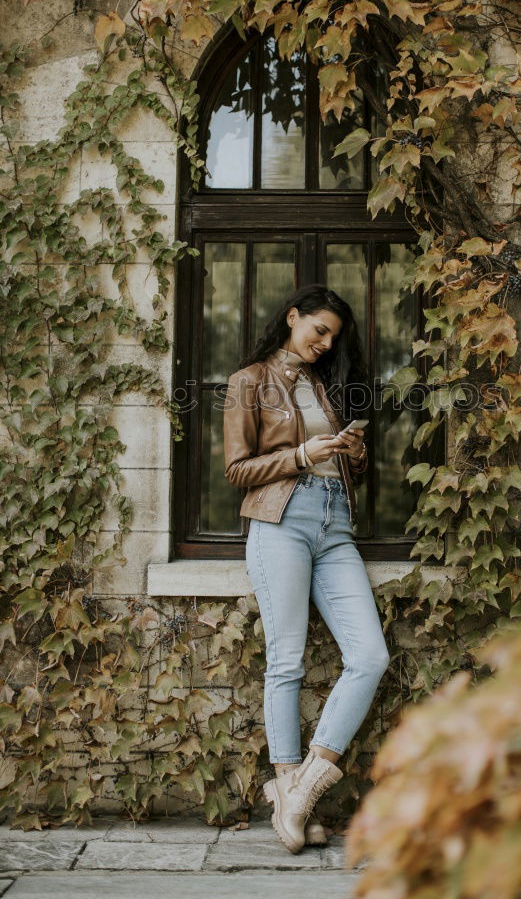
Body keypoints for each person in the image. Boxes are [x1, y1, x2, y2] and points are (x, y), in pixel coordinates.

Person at [223, 284, 390, 854]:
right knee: (286, 661)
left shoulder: (325, 384)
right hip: (281, 524)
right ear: (292, 317)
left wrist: (350, 452)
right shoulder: (249, 381)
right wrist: (301, 456)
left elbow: (345, 464)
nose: (324, 342)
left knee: (370, 656)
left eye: (333, 337)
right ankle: (289, 782)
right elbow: (237, 469)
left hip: (335, 525)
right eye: (318, 329)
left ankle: (298, 793)